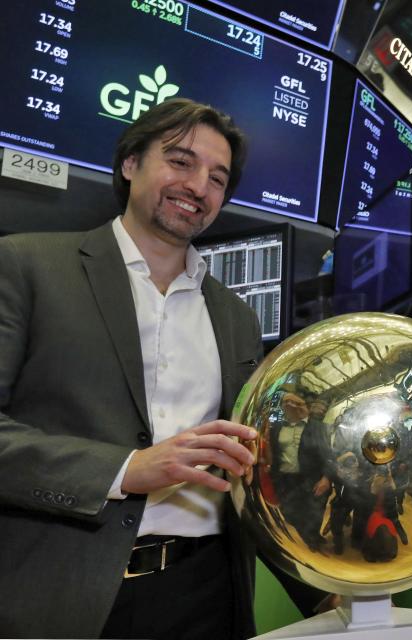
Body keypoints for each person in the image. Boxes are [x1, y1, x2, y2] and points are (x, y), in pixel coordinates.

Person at [0, 98, 323, 638]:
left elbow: (253, 473)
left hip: (207, 594)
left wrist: (324, 588)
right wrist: (126, 469)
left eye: (217, 178)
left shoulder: (237, 317)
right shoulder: (27, 266)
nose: (198, 187)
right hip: (66, 595)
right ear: (130, 163)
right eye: (180, 161)